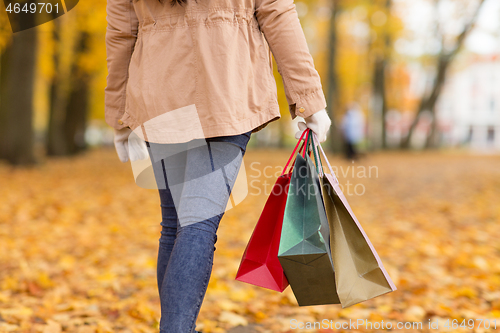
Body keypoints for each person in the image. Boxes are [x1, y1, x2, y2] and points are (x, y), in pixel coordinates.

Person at [104, 0, 331, 331]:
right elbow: (277, 13)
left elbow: (121, 33)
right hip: (225, 88)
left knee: (175, 225)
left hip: (158, 92)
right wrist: (310, 100)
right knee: (196, 224)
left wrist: (119, 115)